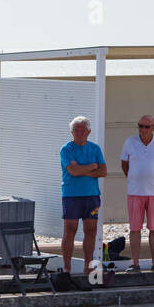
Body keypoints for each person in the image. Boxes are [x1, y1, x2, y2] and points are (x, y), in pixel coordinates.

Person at [119, 114, 154, 273]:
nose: (142, 129)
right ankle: (135, 263)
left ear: (153, 128)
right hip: (135, 192)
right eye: (140, 126)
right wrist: (135, 178)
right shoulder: (130, 142)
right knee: (134, 228)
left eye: (146, 127)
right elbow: (124, 164)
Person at [59, 116, 107, 277]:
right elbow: (73, 171)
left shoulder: (95, 148)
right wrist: (92, 167)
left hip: (91, 196)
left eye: (82, 130)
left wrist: (83, 169)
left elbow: (103, 171)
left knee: (91, 230)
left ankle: (88, 266)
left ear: (89, 131)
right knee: (70, 230)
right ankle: (67, 267)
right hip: (71, 196)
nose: (79, 133)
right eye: (76, 130)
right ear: (72, 132)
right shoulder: (67, 149)